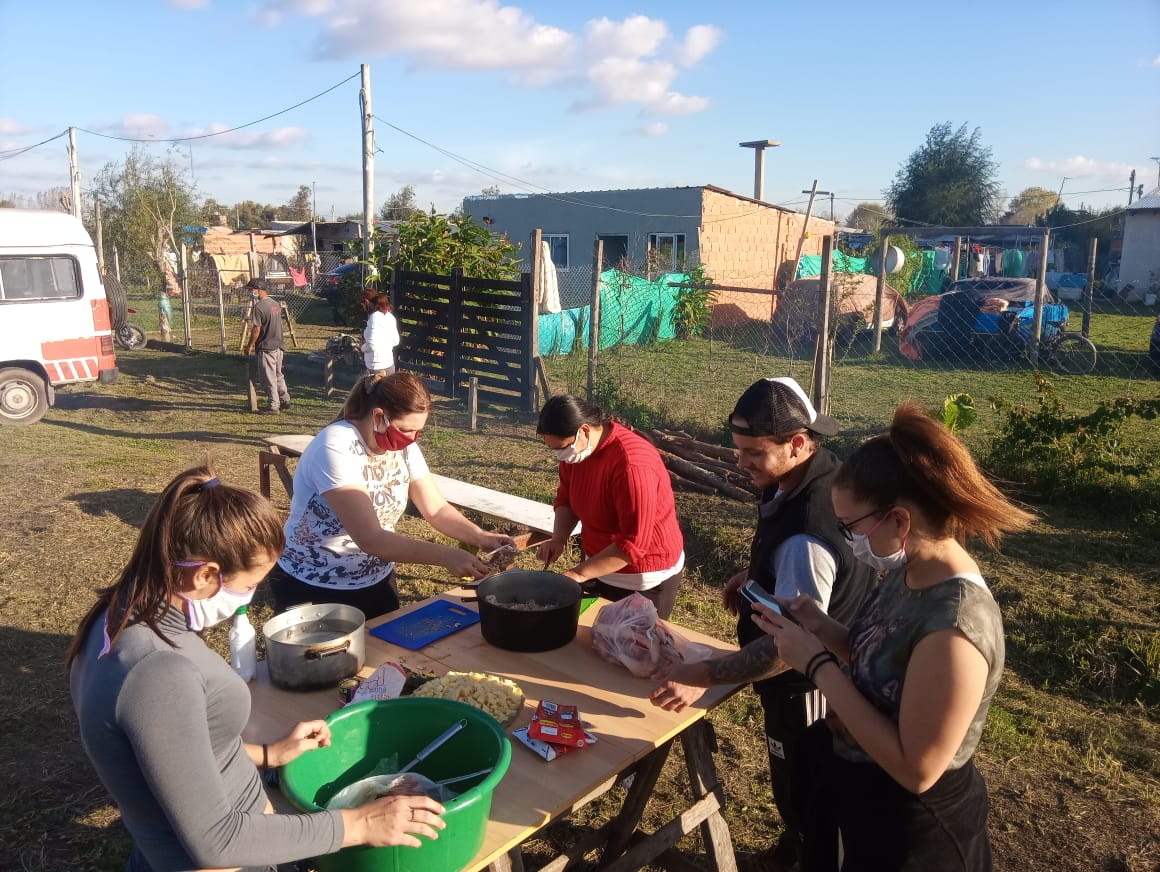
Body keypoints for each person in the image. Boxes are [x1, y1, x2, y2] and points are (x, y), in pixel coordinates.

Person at [68, 467, 446, 872]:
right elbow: (219, 843)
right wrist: (359, 824)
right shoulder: (158, 671)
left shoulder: (118, 616)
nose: (252, 595)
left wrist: (269, 753)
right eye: (251, 583)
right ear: (207, 575)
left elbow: (176, 747)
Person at [751, 402, 1033, 872]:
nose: (847, 539)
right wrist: (823, 628)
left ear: (899, 521)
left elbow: (917, 768)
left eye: (852, 527)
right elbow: (886, 663)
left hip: (915, 834)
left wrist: (817, 664)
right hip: (866, 801)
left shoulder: (956, 628)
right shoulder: (913, 572)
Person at [649, 377, 876, 872]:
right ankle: (795, 848)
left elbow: (789, 648)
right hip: (805, 665)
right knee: (797, 782)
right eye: (738, 449)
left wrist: (704, 675)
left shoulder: (804, 536)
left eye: (753, 452)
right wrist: (757, 574)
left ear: (797, 443)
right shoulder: (813, 477)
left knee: (811, 784)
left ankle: (811, 855)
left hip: (809, 685)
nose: (740, 462)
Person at [267, 371, 513, 619]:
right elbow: (370, 538)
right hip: (315, 584)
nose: (412, 438)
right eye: (406, 430)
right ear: (378, 416)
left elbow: (435, 508)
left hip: (375, 578)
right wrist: (446, 556)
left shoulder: (405, 448)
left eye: (418, 432)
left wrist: (481, 537)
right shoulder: (334, 447)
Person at [535, 394, 685, 619]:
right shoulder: (576, 455)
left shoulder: (632, 464)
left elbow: (632, 544)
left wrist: (577, 575)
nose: (560, 456)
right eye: (554, 450)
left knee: (632, 648)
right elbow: (566, 498)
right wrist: (558, 538)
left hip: (642, 576)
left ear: (584, 431)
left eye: (563, 448)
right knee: (594, 641)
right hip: (598, 566)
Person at [243, 277, 290, 414]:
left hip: (266, 347)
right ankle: (284, 399)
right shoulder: (275, 304)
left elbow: (256, 329)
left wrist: (249, 345)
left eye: (251, 290)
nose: (250, 292)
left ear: (259, 290)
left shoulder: (259, 307)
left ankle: (273, 406)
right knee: (278, 375)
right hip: (279, 345)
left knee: (268, 378)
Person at [363, 291, 401, 376]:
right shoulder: (390, 317)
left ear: (367, 302)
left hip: (376, 367)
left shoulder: (374, 318)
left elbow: (372, 345)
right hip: (389, 365)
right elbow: (396, 341)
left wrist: (362, 348)